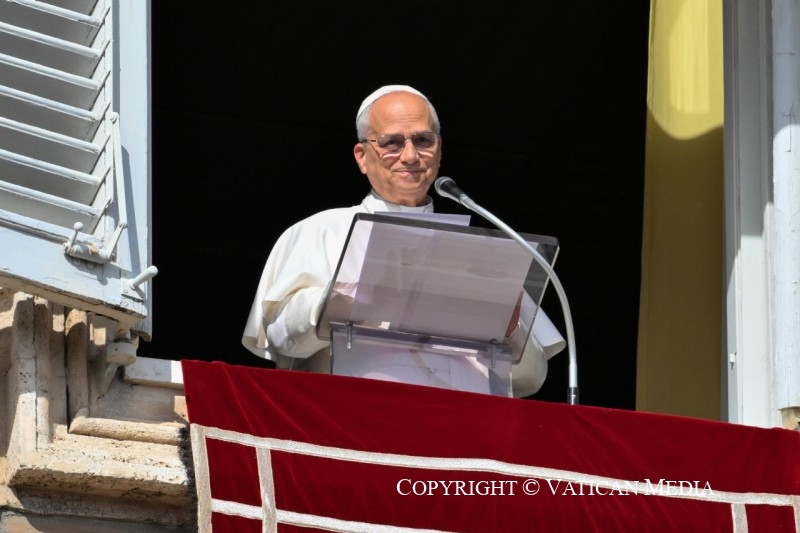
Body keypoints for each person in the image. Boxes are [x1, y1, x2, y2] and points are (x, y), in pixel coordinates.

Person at [242, 84, 564, 396]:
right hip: (357, 417)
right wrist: (353, 298)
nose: (410, 156)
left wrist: (510, 330)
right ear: (362, 156)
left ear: (439, 150)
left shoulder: (481, 251)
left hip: (462, 423)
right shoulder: (320, 231)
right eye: (392, 143)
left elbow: (531, 379)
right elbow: (282, 339)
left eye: (423, 140)